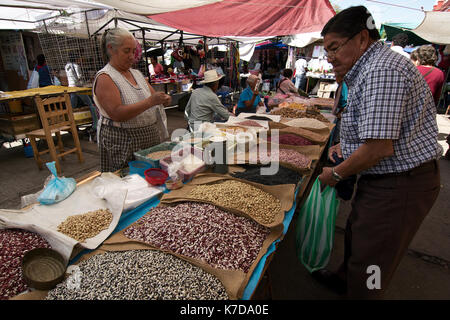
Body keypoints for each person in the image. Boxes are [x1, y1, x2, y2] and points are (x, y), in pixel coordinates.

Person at [316, 6, 441, 299]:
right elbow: (375, 130)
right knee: (360, 235)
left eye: (334, 48)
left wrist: (334, 174)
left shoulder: (382, 70)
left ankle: (362, 293)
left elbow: (378, 147)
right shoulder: (371, 67)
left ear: (361, 38)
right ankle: (345, 280)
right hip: (386, 178)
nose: (330, 57)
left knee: (374, 257)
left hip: (401, 183)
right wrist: (344, 147)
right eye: (327, 51)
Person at [93, 28, 172, 172]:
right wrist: (150, 102)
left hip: (148, 139)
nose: (132, 56)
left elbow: (154, 97)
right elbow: (117, 113)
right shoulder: (105, 77)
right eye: (126, 51)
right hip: (124, 142)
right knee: (128, 183)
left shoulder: (136, 74)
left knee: (151, 180)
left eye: (133, 51)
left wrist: (164, 99)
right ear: (111, 49)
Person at [65, 52, 98, 136]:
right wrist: (86, 82)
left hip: (71, 88)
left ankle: (72, 125)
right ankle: (95, 124)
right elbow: (79, 78)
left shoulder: (67, 66)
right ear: (77, 58)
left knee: (72, 107)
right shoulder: (76, 66)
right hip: (78, 88)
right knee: (90, 104)